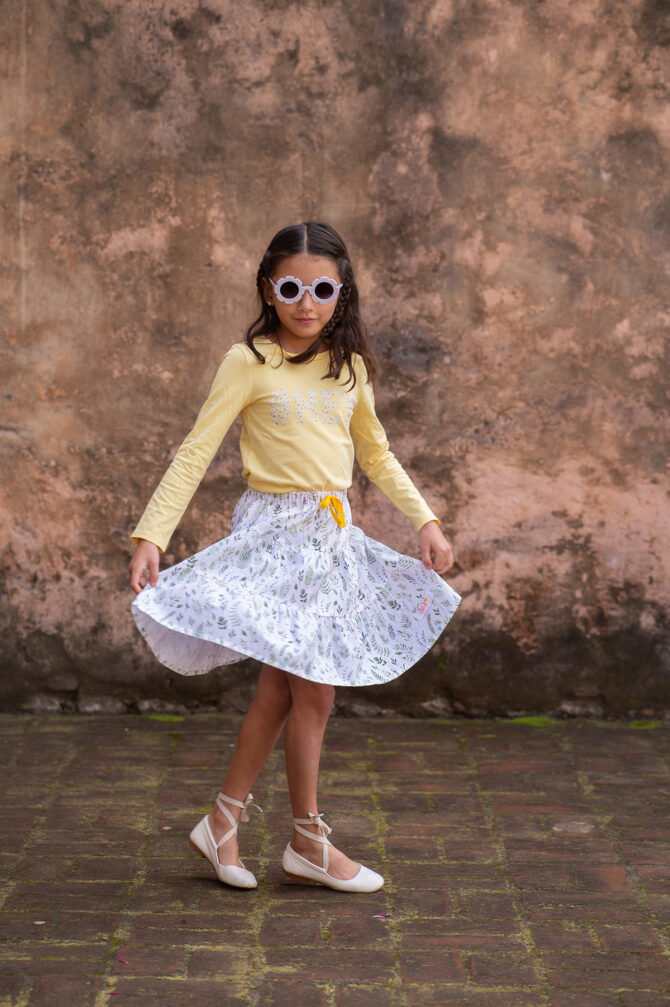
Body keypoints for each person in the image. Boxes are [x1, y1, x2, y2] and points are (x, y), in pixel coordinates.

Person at [128, 221, 461, 894]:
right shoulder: (248, 361)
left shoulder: (350, 369)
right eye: (290, 287)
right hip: (273, 536)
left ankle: (225, 819)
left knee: (284, 690)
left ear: (341, 294)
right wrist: (152, 533)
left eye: (321, 289)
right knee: (315, 687)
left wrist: (424, 516)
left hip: (328, 538)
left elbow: (376, 453)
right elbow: (197, 448)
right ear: (268, 289)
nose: (306, 302)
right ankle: (305, 837)